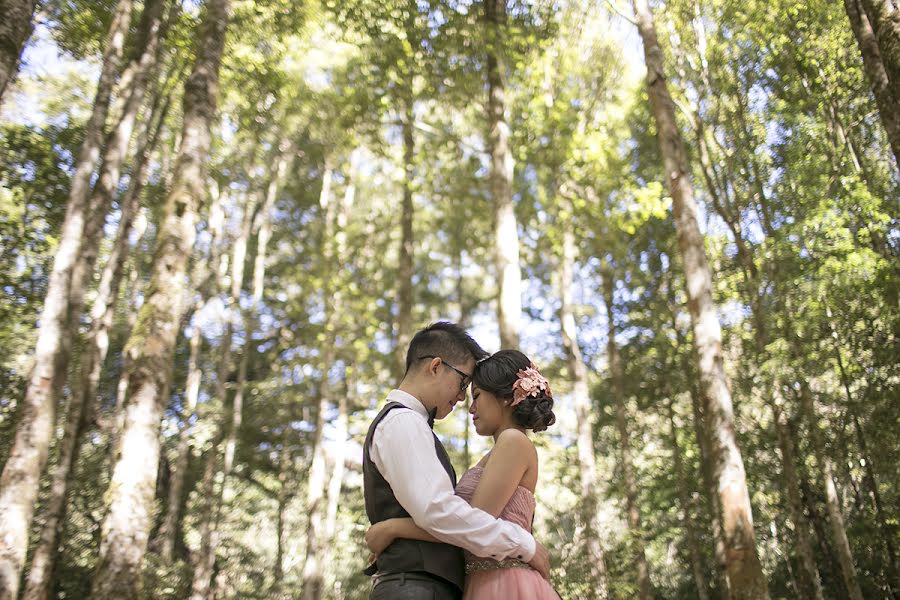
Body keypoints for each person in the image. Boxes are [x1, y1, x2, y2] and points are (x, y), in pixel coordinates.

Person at [363, 323, 551, 600]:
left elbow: (454, 515)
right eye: (464, 383)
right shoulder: (404, 421)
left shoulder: (510, 442)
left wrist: (391, 528)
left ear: (505, 398)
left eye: (473, 393)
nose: (465, 400)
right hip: (420, 586)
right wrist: (524, 544)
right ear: (436, 367)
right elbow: (442, 513)